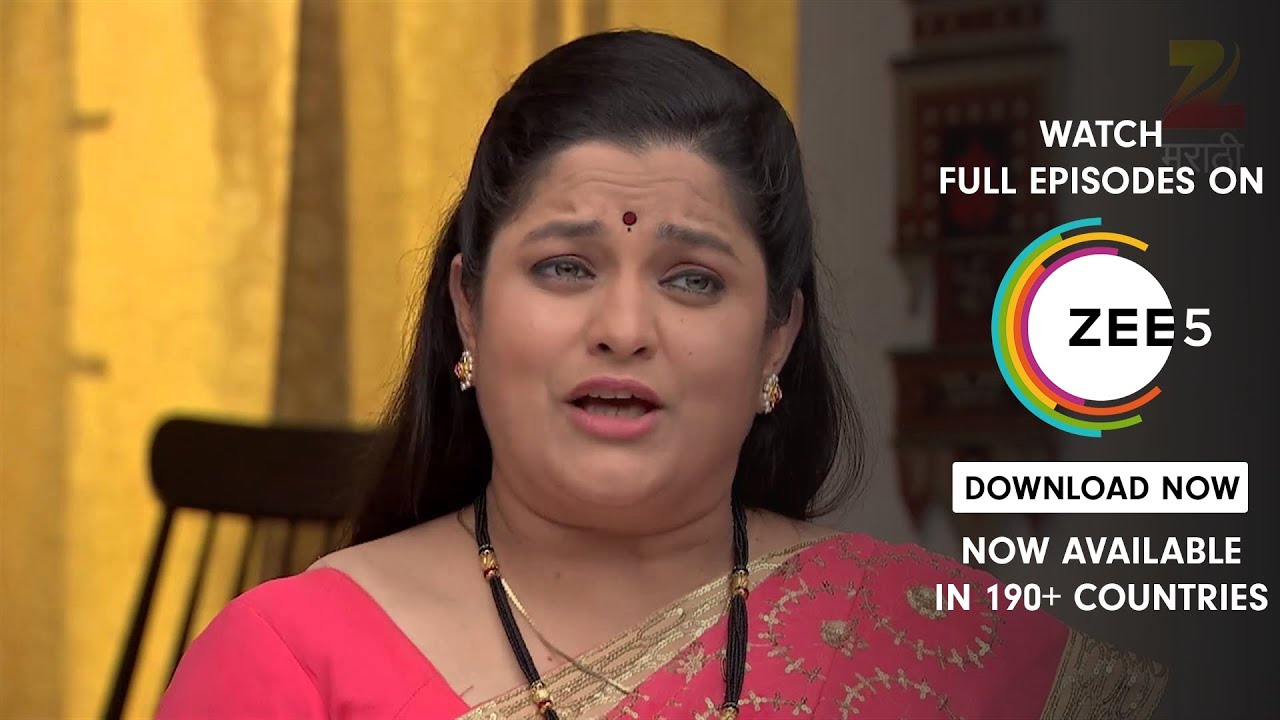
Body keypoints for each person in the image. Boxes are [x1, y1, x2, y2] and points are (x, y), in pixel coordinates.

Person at [157, 29, 1166, 719]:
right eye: (565, 267)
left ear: (775, 338)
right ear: (469, 307)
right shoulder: (291, 660)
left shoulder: (942, 648)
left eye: (692, 279)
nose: (624, 329)